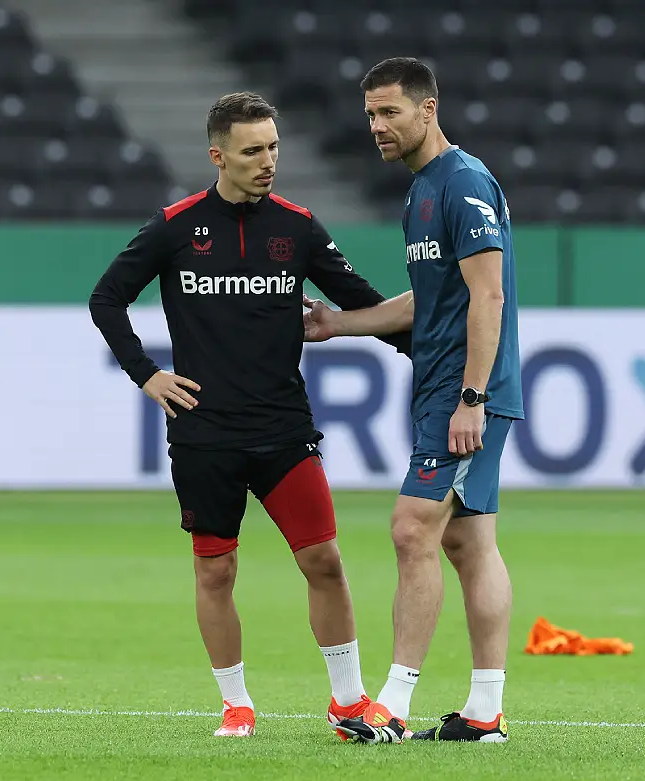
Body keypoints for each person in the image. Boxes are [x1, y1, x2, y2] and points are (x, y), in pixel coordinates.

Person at [90, 91, 410, 738]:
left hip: (283, 431)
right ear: (218, 156)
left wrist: (428, 356)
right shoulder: (176, 228)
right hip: (204, 433)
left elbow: (362, 304)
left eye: (274, 147)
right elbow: (107, 300)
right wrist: (147, 374)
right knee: (216, 568)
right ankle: (236, 704)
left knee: (324, 562)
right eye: (253, 151)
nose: (268, 161)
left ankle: (347, 703)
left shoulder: (296, 228)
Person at [302, 57, 523, 744]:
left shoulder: (462, 183)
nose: (376, 126)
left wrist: (472, 398)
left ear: (428, 110)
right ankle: (485, 712)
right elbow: (431, 299)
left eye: (389, 112)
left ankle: (392, 707)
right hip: (443, 387)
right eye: (370, 113)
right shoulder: (422, 190)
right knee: (467, 542)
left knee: (410, 529)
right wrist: (340, 323)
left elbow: (489, 294)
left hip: (463, 393)